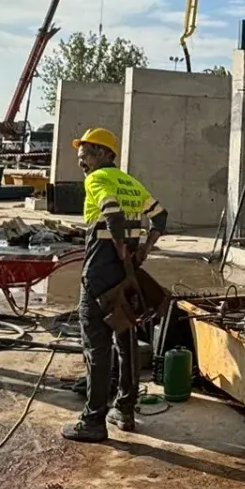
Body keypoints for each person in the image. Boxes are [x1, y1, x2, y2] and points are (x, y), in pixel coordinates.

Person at [63, 127, 167, 443]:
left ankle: (93, 420)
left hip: (100, 273)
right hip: (127, 275)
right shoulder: (130, 182)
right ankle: (125, 409)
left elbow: (111, 213)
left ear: (104, 154)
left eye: (86, 154)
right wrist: (143, 249)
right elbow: (160, 216)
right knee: (126, 339)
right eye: (80, 155)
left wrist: (121, 248)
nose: (82, 161)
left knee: (96, 345)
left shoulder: (97, 179)